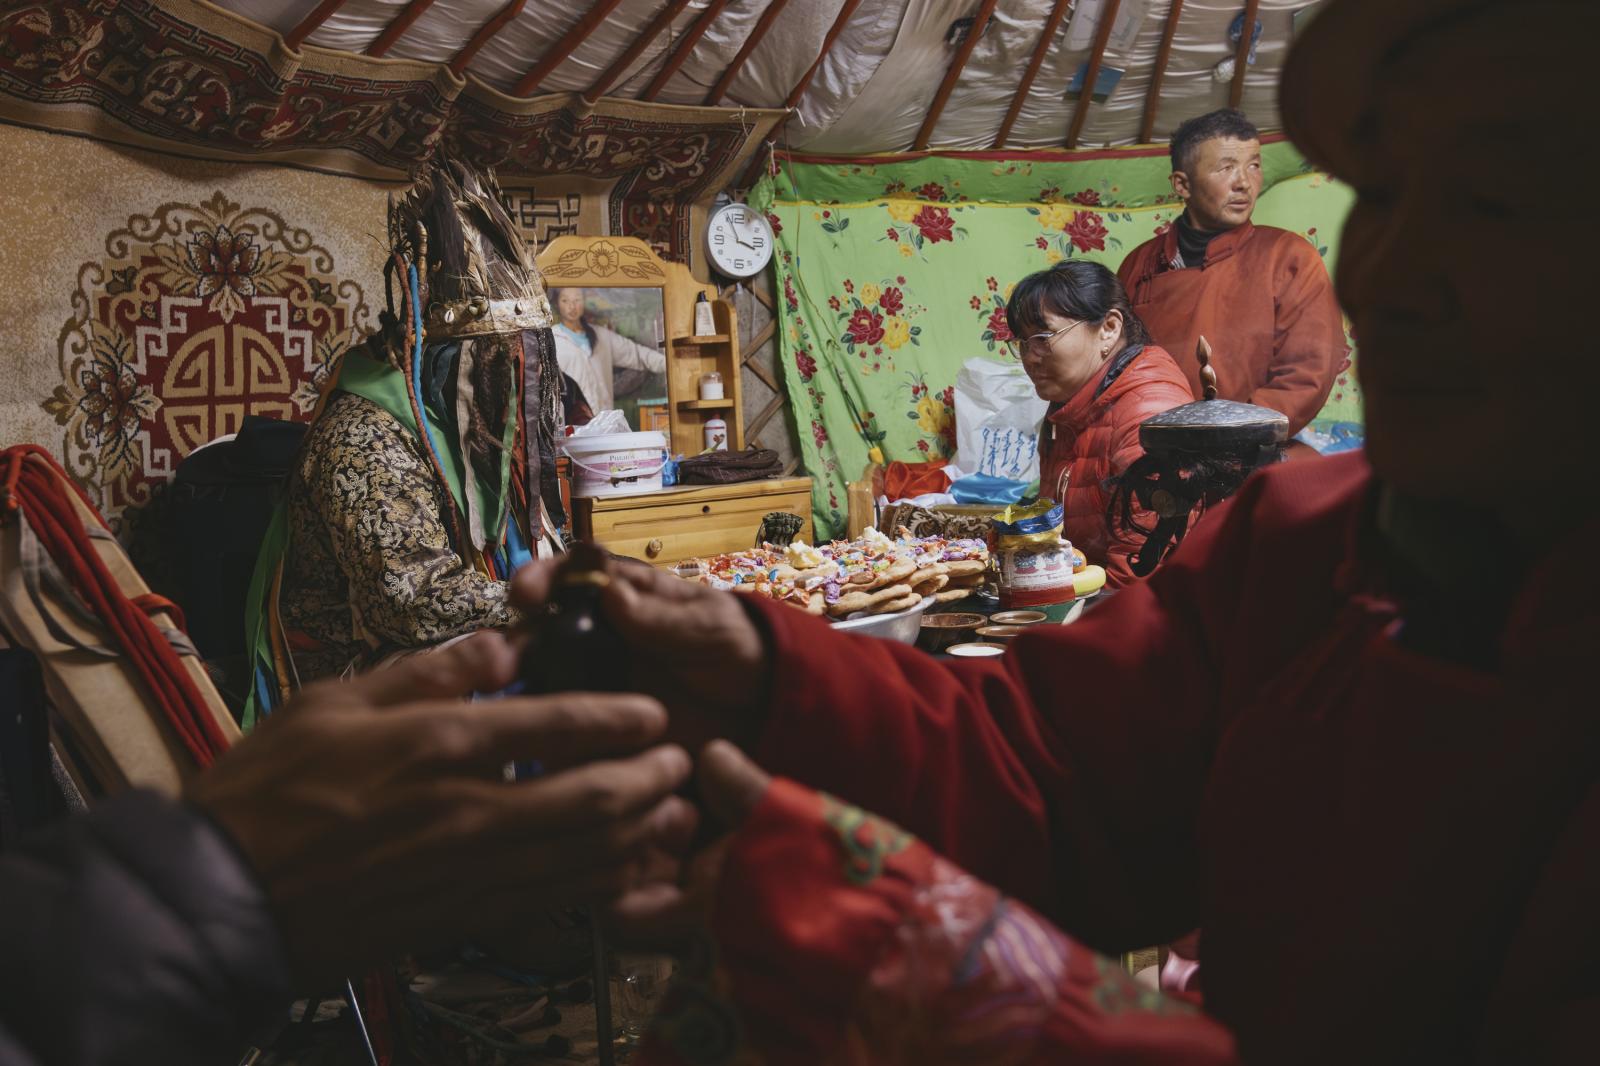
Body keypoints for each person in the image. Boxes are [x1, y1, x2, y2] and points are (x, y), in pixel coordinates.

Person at [512, 1, 1600, 1062]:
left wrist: (945, 972)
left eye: (1495, 202)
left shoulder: (1185, 442)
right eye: (1386, 195)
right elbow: (1053, 766)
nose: (1380, 278)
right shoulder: (1309, 543)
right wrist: (764, 676)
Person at [0, 631, 699, 1066]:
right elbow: (404, 591)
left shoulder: (443, 433)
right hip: (348, 681)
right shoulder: (359, 440)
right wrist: (221, 884)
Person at [245, 159, 570, 719]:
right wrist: (557, 603)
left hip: (426, 646)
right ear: (454, 363)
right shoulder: (363, 438)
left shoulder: (471, 434)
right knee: (528, 672)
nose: (519, 389)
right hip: (349, 679)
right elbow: (412, 601)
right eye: (501, 365)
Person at [1116, 108, 1347, 438]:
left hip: (1250, 447)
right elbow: (1111, 367)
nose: (1244, 183)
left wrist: (1233, 437)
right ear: (1182, 184)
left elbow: (1307, 372)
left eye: (1254, 165)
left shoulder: (1289, 257)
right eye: (1226, 168)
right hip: (1149, 444)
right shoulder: (1138, 265)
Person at [1007, 260, 1196, 586]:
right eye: (1023, 342)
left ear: (1108, 328)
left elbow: (1139, 577)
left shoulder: (1147, 417)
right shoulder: (1068, 408)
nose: (1030, 356)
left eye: (1043, 336)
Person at [551, 287, 667, 414]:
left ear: (584, 301)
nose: (572, 306)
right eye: (565, 301)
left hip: (605, 419)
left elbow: (638, 354)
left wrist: (670, 365)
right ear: (557, 303)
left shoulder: (601, 336)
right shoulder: (552, 339)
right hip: (573, 421)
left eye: (577, 299)